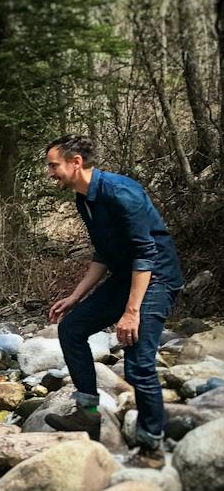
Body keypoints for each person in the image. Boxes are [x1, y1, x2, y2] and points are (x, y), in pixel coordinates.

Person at [43, 135, 183, 466]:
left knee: (138, 362)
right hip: (126, 276)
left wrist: (132, 311)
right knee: (72, 328)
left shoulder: (122, 193)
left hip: (156, 277)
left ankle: (152, 448)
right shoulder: (83, 199)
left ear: (75, 162)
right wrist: (75, 297)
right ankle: (88, 413)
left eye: (53, 165)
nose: (50, 173)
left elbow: (146, 254)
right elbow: (104, 254)